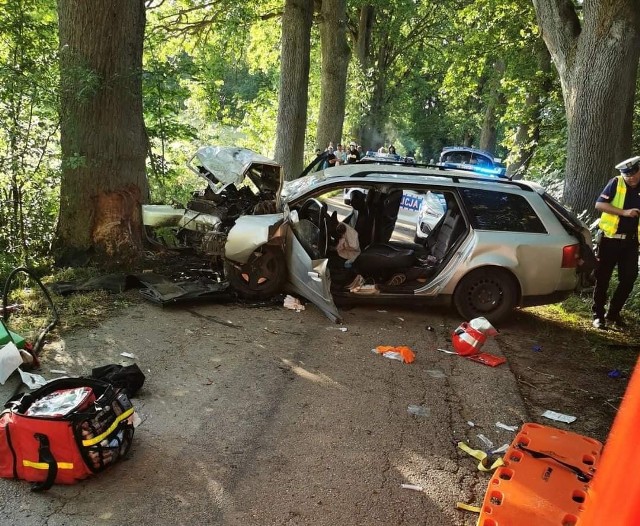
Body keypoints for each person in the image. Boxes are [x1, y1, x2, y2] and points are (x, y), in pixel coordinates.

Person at [592, 155, 640, 330]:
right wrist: (624, 212)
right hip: (610, 239)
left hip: (632, 242)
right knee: (602, 277)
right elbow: (599, 204)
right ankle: (598, 316)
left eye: (634, 173)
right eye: (627, 175)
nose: (630, 178)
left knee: (629, 278)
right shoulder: (616, 182)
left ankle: (613, 313)